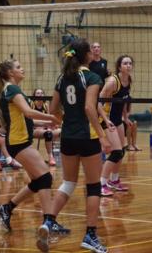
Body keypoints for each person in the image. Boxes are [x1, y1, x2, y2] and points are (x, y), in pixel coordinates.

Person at [49, 38, 112, 252]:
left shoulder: (62, 78)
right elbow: (89, 108)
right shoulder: (92, 77)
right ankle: (90, 235)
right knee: (93, 186)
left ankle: (48, 222)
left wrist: (66, 121)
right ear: (87, 55)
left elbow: (52, 110)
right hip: (87, 137)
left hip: (67, 137)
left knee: (68, 182)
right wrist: (102, 135)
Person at [0, 59, 62, 252]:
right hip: (18, 142)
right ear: (9, 73)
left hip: (20, 140)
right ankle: (49, 222)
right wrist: (50, 117)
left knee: (38, 182)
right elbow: (27, 112)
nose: (22, 69)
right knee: (46, 177)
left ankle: (7, 209)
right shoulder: (12, 90)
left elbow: (23, 119)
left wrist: (45, 124)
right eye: (18, 67)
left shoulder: (11, 89)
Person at [99, 55, 134, 196]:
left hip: (117, 119)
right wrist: (106, 120)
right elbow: (98, 102)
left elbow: (124, 100)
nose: (128, 65)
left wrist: (125, 118)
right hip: (106, 118)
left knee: (122, 151)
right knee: (116, 152)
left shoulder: (129, 80)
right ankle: (101, 184)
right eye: (125, 63)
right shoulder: (113, 81)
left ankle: (114, 180)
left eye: (130, 63)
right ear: (119, 66)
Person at [31, 88, 61, 166]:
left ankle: (67, 154)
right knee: (48, 133)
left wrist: (53, 125)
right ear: (34, 95)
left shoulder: (46, 105)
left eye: (41, 93)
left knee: (62, 131)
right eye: (38, 93)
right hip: (34, 129)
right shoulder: (31, 105)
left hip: (44, 128)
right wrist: (46, 124)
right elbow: (31, 122)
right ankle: (50, 156)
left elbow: (48, 118)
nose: (40, 94)